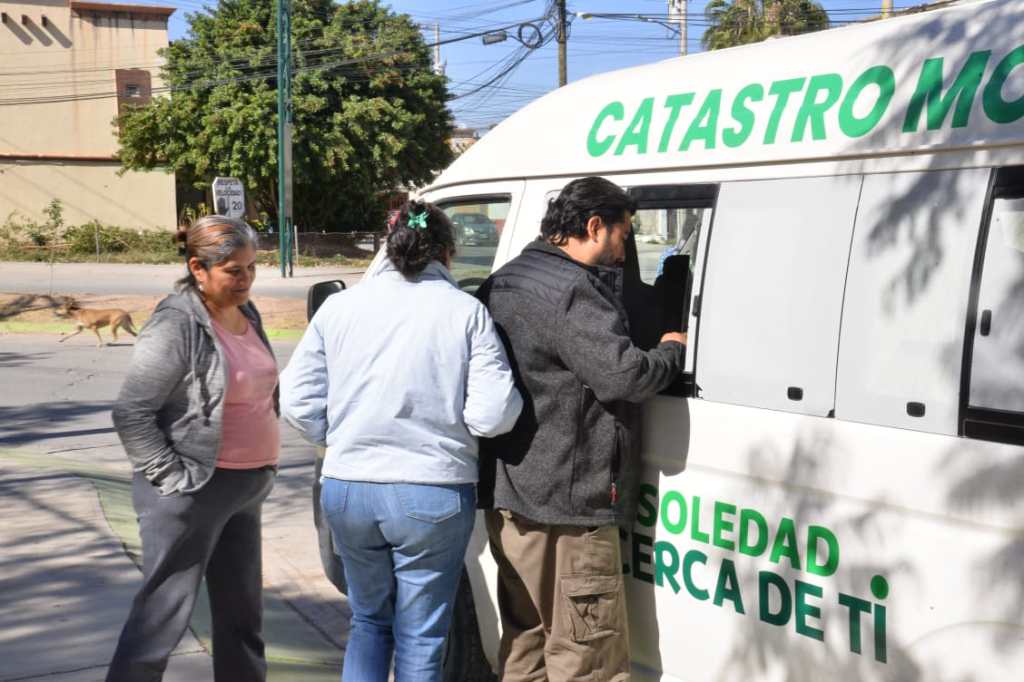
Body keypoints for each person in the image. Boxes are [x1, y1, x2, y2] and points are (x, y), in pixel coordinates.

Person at [280, 200, 523, 682]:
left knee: (369, 621)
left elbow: (296, 400)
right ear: (448, 254)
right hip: (430, 493)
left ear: (388, 248)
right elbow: (493, 413)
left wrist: (341, 436)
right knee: (421, 635)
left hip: (348, 487)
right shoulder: (466, 312)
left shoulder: (340, 307)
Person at [477, 176, 687, 682]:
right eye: (623, 234)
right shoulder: (571, 291)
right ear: (595, 226)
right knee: (585, 657)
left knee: (526, 644)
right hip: (569, 511)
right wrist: (672, 350)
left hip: (513, 497)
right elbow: (624, 376)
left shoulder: (505, 278)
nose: (624, 249)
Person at [107, 216, 279, 681]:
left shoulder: (248, 313)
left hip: (247, 486)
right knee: (161, 619)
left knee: (243, 616)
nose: (245, 280)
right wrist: (173, 480)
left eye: (251, 269)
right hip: (194, 489)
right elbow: (132, 412)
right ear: (198, 268)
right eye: (233, 271)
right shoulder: (176, 323)